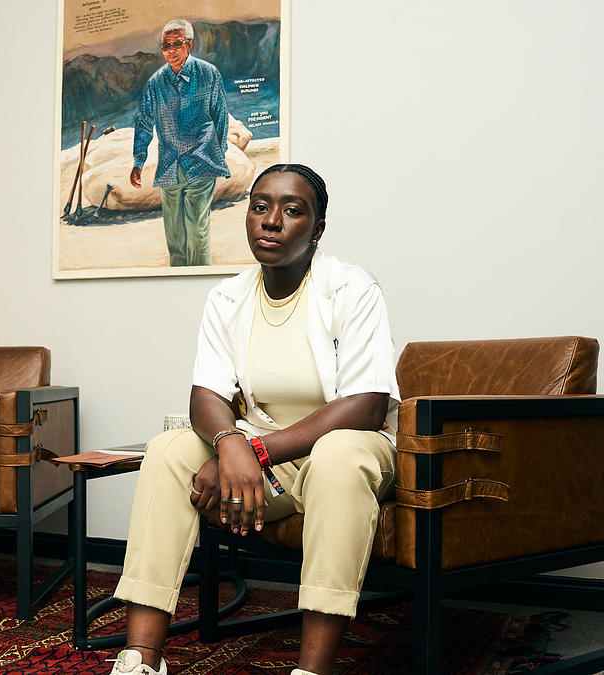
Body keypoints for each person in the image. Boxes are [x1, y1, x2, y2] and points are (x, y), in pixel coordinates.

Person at [108, 164, 400, 675]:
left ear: (317, 229)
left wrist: (254, 451)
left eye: (292, 210)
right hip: (271, 459)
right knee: (168, 449)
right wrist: (230, 443)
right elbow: (206, 394)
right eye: (260, 206)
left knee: (336, 455)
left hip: (351, 449)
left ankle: (313, 669)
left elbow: (366, 405)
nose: (271, 220)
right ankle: (141, 658)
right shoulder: (228, 296)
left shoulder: (352, 288)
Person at [130, 19, 231, 267]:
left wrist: (217, 156)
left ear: (189, 44)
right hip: (169, 165)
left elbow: (220, 117)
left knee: (198, 231)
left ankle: (201, 280)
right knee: (174, 236)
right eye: (166, 46)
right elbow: (144, 122)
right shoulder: (155, 83)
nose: (171, 51)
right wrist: (138, 162)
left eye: (177, 44)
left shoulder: (208, 74)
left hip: (202, 161)